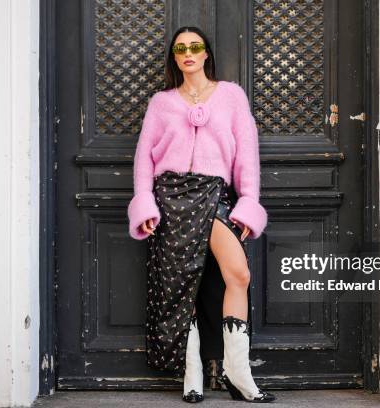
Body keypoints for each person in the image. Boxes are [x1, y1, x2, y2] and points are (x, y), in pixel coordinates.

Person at [127, 25, 275, 404]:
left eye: (195, 47)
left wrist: (248, 203)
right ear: (175, 56)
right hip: (171, 196)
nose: (188, 53)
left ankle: (237, 373)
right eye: (181, 48)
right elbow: (145, 156)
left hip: (213, 193)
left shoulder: (230, 96)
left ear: (206, 53)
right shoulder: (161, 102)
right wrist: (144, 200)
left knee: (237, 274)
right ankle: (191, 375)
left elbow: (247, 156)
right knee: (182, 286)